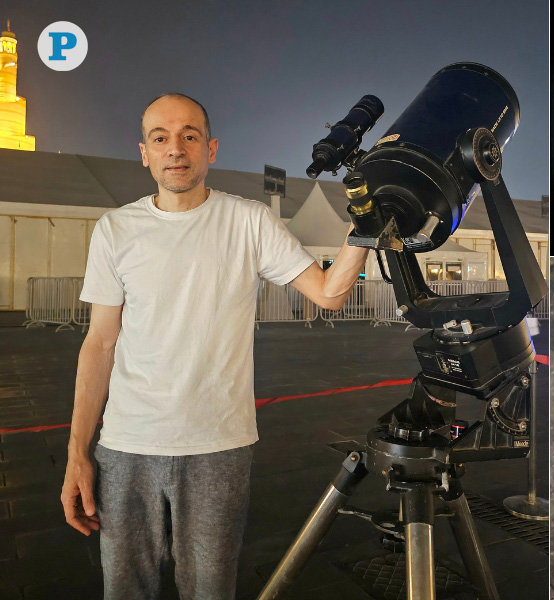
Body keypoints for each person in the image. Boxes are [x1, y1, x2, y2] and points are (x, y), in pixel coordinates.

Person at [59, 93, 368, 599]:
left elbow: (328, 294)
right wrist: (77, 453)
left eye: (189, 135)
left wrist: (366, 226)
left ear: (212, 149)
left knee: (210, 590)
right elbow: (99, 344)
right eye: (160, 138)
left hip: (217, 448)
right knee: (123, 589)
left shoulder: (249, 221)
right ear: (144, 152)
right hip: (126, 445)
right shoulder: (115, 229)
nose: (175, 148)